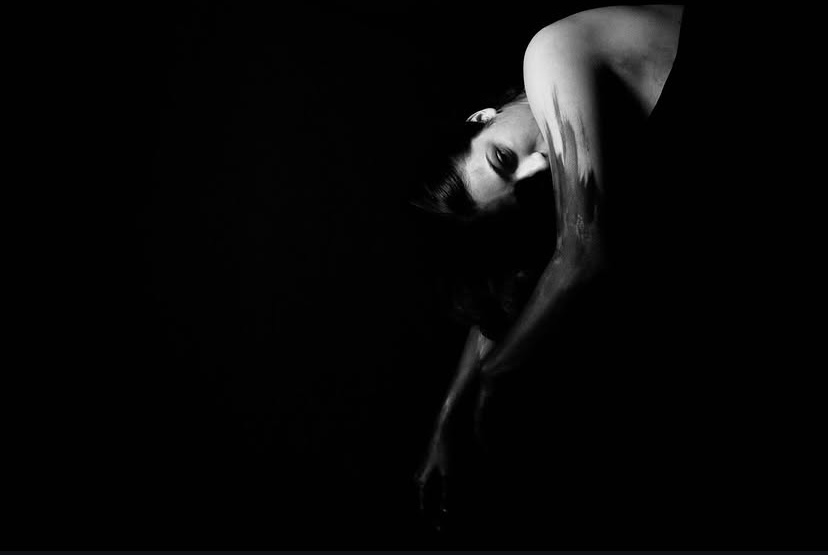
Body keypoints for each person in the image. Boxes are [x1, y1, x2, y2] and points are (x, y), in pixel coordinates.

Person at [413, 4, 713, 536]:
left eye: (503, 159)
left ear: (482, 117)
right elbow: (513, 300)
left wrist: (494, 382)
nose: (537, 167)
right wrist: (448, 416)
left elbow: (584, 254)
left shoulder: (548, 55)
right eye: (517, 187)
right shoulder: (583, 143)